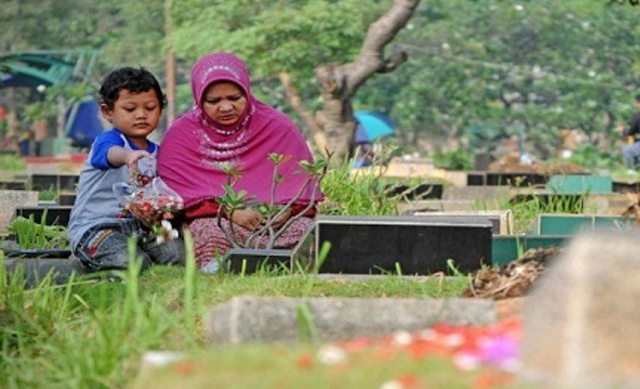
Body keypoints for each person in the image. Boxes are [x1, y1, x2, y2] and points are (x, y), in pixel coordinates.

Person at [157, 52, 323, 271]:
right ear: (199, 99)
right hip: (219, 222)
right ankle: (219, 273)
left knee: (306, 230)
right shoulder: (182, 134)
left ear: (247, 91)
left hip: (274, 223)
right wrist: (229, 212)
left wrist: (286, 211)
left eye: (234, 98)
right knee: (208, 232)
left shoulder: (277, 126)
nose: (226, 108)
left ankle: (295, 268)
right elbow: (175, 198)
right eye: (214, 101)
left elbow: (301, 188)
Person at [68, 67, 186, 274]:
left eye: (150, 108)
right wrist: (127, 156)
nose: (141, 115)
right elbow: (109, 154)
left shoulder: (159, 152)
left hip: (144, 228)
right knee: (129, 260)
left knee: (178, 254)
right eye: (130, 109)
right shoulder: (109, 142)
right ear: (107, 112)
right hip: (98, 228)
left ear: (161, 108)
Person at [622, 93, 640, 171]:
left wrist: (623, 130)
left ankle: (631, 171)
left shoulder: (637, 116)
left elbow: (631, 131)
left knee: (627, 151)